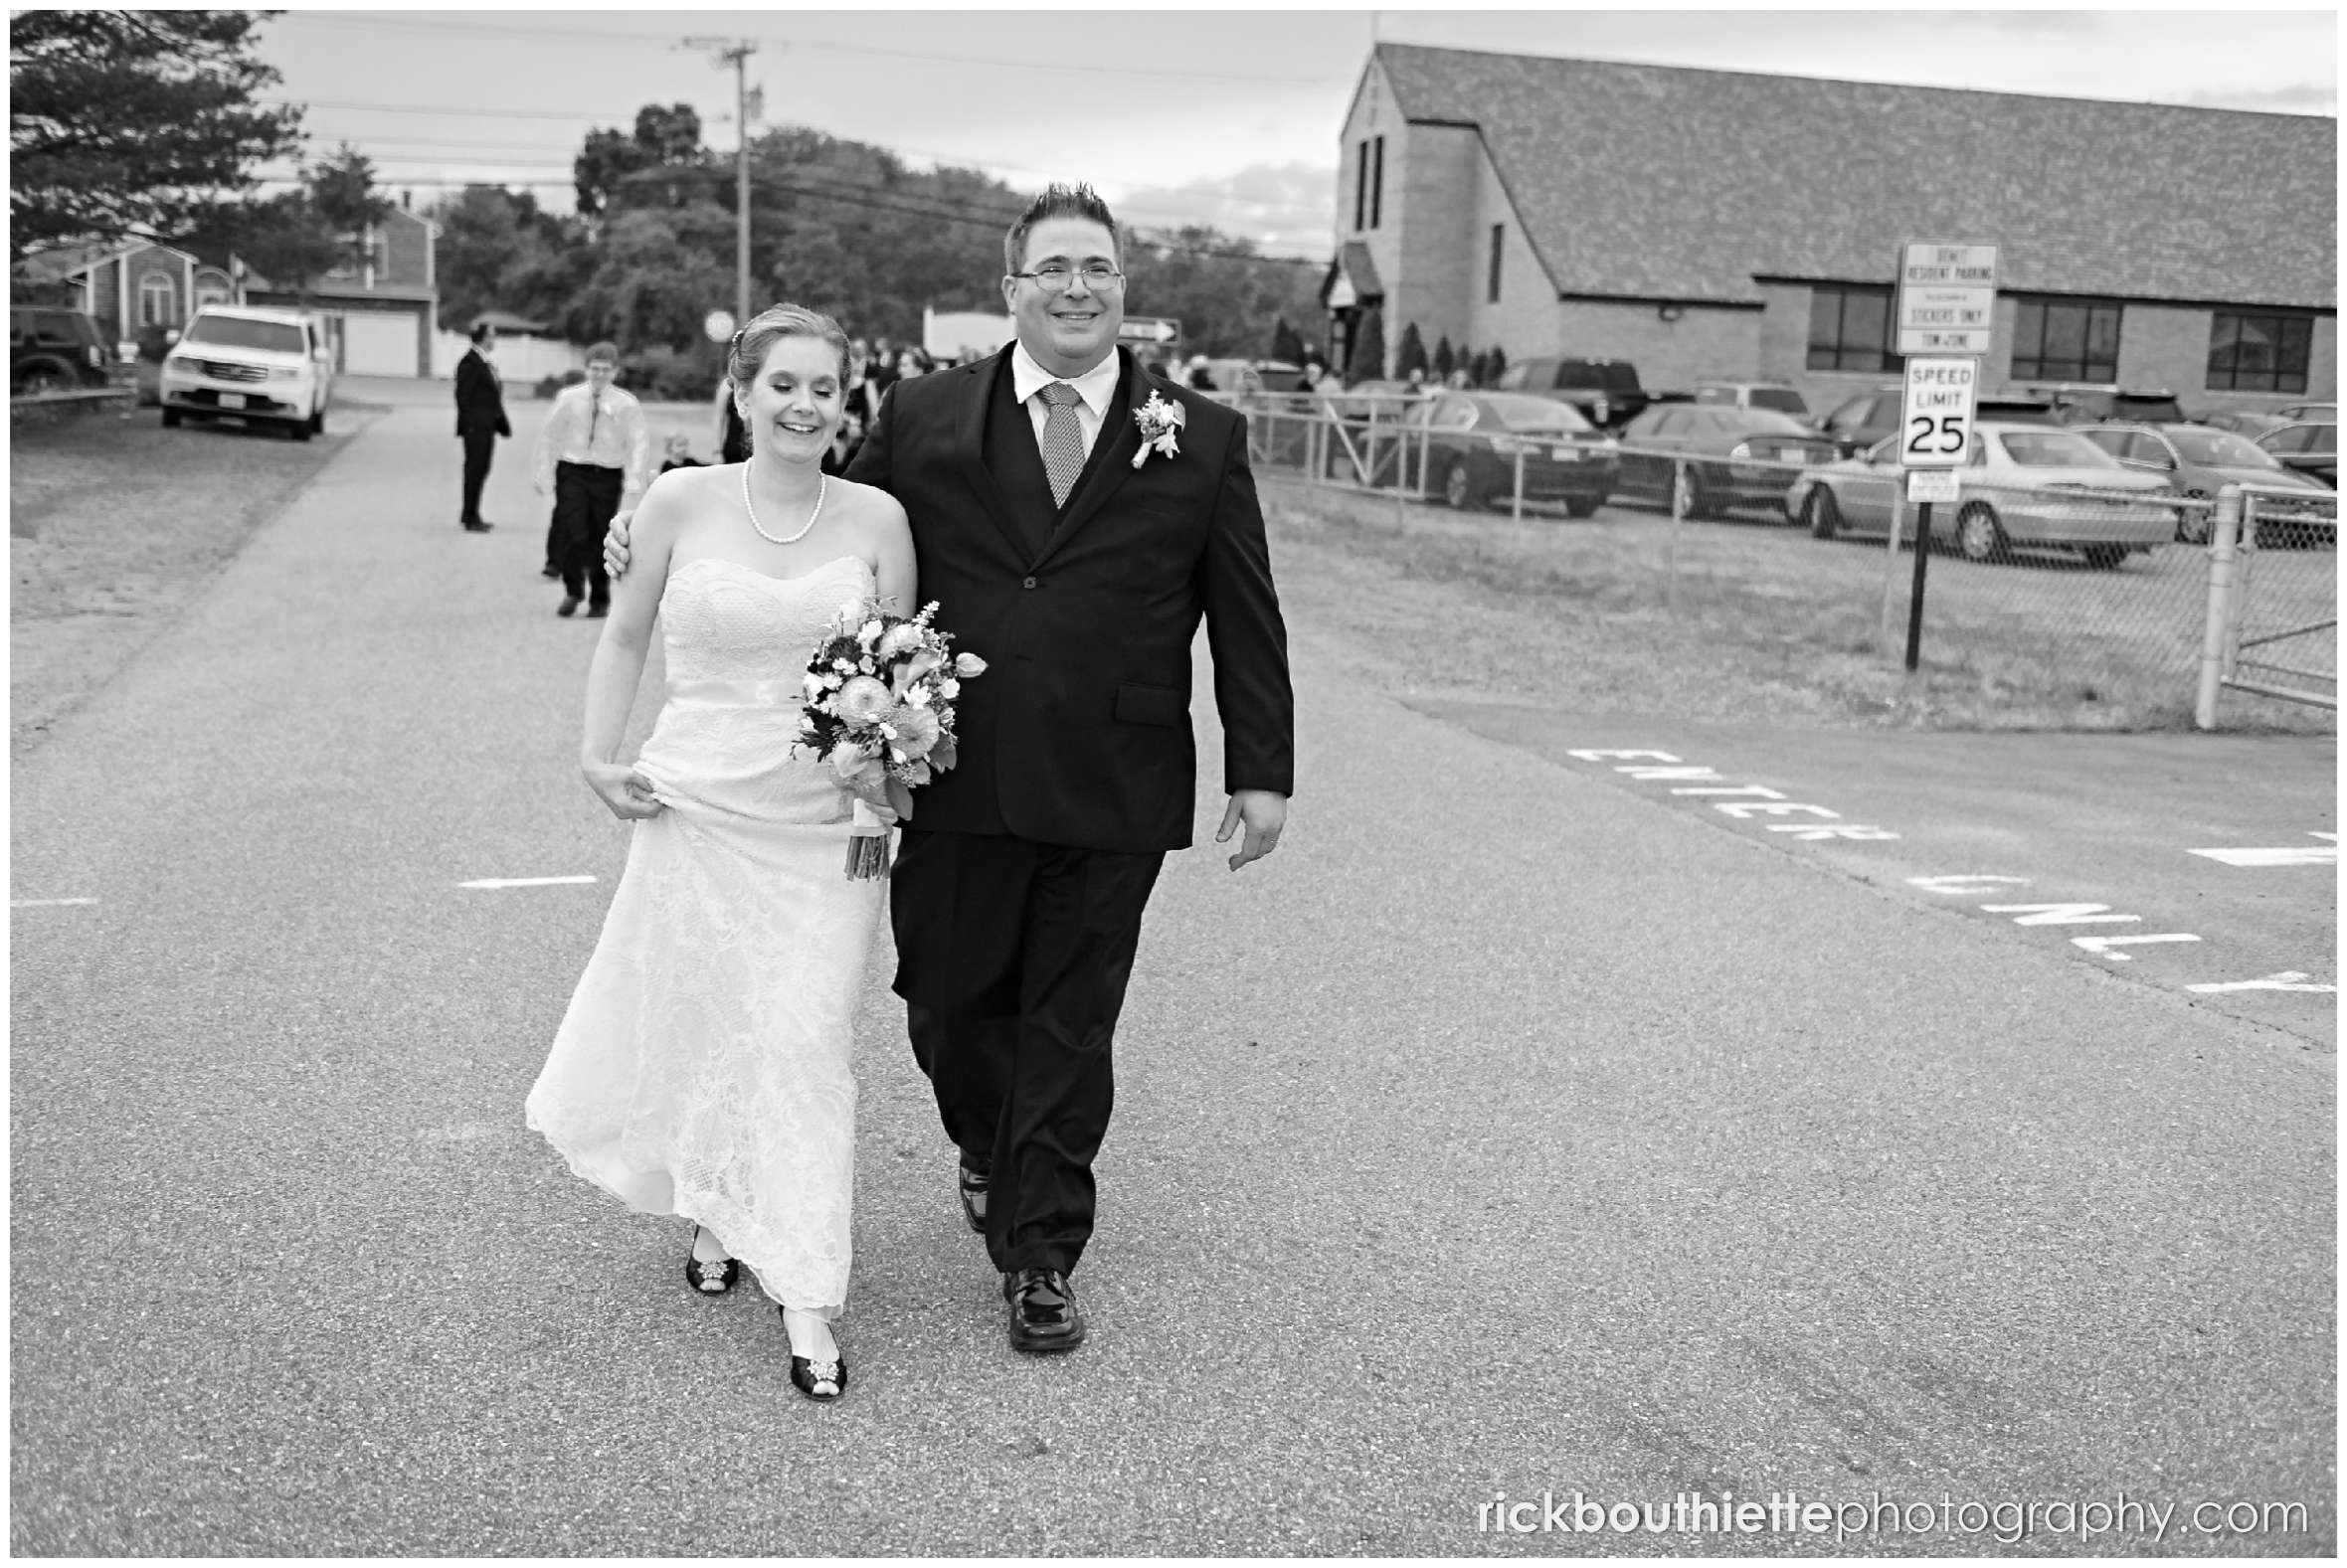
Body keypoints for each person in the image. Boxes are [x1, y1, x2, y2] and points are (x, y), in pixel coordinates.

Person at [609, 183, 1294, 1356]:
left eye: (1099, 268)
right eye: (1054, 269)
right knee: (950, 1006)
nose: (1078, 288)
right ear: (1011, 289)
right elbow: (820, 513)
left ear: (1123, 288)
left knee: (1072, 1022)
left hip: (1112, 779)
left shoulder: (1202, 433)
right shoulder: (926, 414)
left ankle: (1039, 1250)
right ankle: (985, 1143)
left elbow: (1244, 610)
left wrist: (1260, 765)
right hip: (950, 775)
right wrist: (665, 531)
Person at [528, 303, 916, 1404]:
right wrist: (595, 756)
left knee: (801, 1038)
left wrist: (888, 766)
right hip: (695, 801)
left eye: (825, 388)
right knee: (709, 1015)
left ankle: (804, 1285)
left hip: (827, 824)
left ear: (848, 401)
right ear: (741, 392)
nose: (804, 405)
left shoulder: (879, 517)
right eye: (782, 384)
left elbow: (906, 664)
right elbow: (624, 631)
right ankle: (712, 1199)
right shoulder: (676, 497)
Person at [534, 343, 648, 618]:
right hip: (573, 469)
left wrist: (634, 477)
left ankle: (600, 597)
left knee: (600, 533)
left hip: (606, 473)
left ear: (615, 372)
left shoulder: (626, 403)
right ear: (586, 369)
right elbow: (550, 435)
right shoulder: (569, 398)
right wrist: (543, 472)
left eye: (605, 370)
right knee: (573, 529)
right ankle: (573, 590)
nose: (599, 375)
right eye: (594, 369)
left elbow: (638, 441)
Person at [453, 321, 509, 533]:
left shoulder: (484, 361)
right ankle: (469, 517)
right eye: (492, 335)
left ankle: (474, 513)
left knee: (482, 469)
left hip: (487, 427)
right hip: (475, 429)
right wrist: (470, 426)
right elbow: (463, 397)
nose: (494, 339)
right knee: (474, 470)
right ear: (483, 338)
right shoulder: (469, 362)